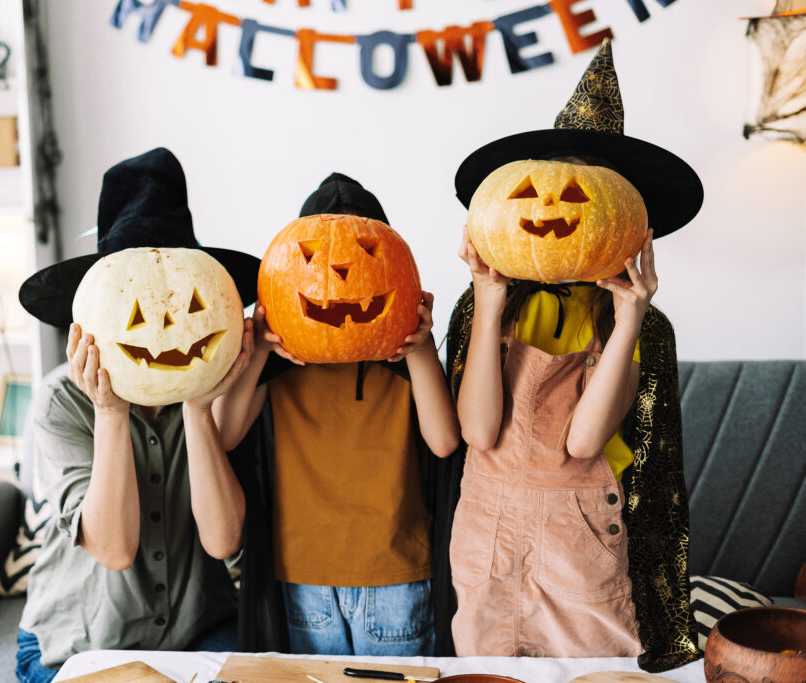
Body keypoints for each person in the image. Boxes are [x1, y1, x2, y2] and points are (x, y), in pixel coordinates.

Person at [445, 40, 702, 672]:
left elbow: (585, 442)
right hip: (488, 530)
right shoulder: (485, 305)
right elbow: (477, 430)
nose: (555, 208)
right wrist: (488, 295)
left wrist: (631, 315)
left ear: (627, 216)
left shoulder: (644, 325)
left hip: (582, 535)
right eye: (539, 187)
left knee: (591, 671)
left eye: (588, 192)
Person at [13, 148, 261, 682]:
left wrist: (198, 407)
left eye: (187, 303)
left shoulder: (226, 386)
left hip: (198, 628)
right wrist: (110, 412)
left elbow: (224, 542)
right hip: (80, 639)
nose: (164, 328)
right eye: (134, 308)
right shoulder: (61, 401)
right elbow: (114, 548)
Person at [213, 173, 460, 657]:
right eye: (309, 260)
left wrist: (420, 345)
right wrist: (261, 348)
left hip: (395, 579)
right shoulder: (277, 368)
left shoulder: (403, 364)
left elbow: (445, 442)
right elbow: (223, 434)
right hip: (302, 582)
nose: (339, 276)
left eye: (368, 256)